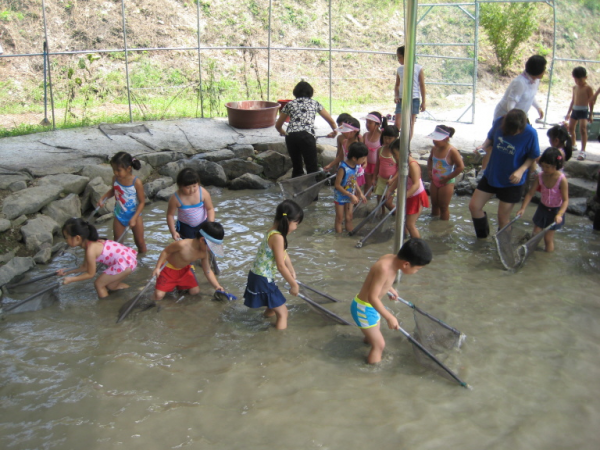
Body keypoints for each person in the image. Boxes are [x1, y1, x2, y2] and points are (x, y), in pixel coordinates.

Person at [351, 238, 432, 364]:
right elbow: (373, 297)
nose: (416, 272)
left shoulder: (389, 258)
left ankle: (368, 342)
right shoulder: (384, 269)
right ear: (406, 264)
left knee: (372, 335)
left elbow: (376, 281)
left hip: (369, 307)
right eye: (417, 269)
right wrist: (389, 317)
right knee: (380, 345)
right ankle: (372, 373)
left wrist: (389, 288)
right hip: (364, 308)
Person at [469, 109, 540, 237]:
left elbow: (533, 156)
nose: (512, 134)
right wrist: (483, 146)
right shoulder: (499, 122)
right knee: (474, 207)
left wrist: (521, 170)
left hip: (512, 181)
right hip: (492, 174)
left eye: (516, 132)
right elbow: (490, 138)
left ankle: (503, 248)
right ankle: (482, 239)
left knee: (503, 219)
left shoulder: (531, 133)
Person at [243, 200, 303, 330]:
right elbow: (281, 266)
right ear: (288, 221)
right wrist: (294, 285)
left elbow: (283, 253)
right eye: (296, 223)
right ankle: (279, 342)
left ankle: (262, 326)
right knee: (283, 313)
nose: (296, 228)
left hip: (257, 275)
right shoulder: (278, 237)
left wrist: (291, 269)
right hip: (263, 279)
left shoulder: (272, 231)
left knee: (272, 308)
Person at [58, 218, 137, 298]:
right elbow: (85, 267)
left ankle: (105, 306)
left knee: (98, 284)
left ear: (77, 238)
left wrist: (71, 279)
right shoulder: (90, 244)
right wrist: (67, 271)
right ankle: (134, 292)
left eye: (66, 237)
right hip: (127, 259)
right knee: (111, 286)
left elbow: (90, 274)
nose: (66, 241)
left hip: (124, 263)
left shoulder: (90, 250)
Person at [275, 81, 337, 177]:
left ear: (295, 92)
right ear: (310, 93)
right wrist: (334, 132)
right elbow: (331, 121)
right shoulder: (315, 103)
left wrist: (283, 132)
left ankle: (297, 190)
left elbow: (278, 125)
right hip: (307, 136)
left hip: (291, 136)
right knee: (312, 167)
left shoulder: (290, 104)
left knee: (297, 166)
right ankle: (312, 191)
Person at [152, 221, 225, 301]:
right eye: (211, 247)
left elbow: (207, 270)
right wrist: (157, 268)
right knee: (159, 296)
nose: (211, 250)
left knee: (195, 291)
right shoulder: (182, 245)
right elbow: (166, 252)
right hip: (168, 270)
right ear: (202, 240)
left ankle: (180, 290)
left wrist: (217, 286)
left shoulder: (204, 253)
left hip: (184, 271)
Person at [516, 148, 569, 252]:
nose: (544, 169)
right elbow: (530, 193)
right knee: (535, 233)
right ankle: (531, 254)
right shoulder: (540, 176)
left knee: (548, 238)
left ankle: (547, 258)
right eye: (542, 166)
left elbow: (566, 200)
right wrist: (522, 208)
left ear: (556, 165)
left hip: (555, 211)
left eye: (547, 167)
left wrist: (559, 214)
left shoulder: (561, 179)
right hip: (542, 208)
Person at [98, 151, 147, 253]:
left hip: (135, 216)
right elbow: (114, 190)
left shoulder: (136, 182)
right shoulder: (115, 179)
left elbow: (142, 202)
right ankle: (119, 264)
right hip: (119, 215)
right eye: (114, 170)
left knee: (140, 242)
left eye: (118, 170)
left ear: (128, 169)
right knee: (118, 244)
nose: (115, 173)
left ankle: (144, 264)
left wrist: (134, 218)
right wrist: (103, 198)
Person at [389, 138, 430, 238]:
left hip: (416, 195)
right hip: (408, 194)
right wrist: (390, 190)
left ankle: (417, 245)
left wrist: (404, 197)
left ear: (402, 151)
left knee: (410, 224)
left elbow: (416, 184)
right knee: (404, 221)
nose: (394, 157)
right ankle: (405, 239)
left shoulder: (412, 164)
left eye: (395, 154)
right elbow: (399, 178)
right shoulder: (402, 162)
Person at [426, 125, 464, 220]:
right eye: (433, 139)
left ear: (446, 138)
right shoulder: (434, 149)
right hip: (435, 181)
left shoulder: (452, 151)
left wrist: (448, 177)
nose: (434, 141)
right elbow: (430, 159)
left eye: (437, 139)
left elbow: (460, 167)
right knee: (434, 204)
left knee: (443, 207)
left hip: (447, 182)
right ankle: (434, 224)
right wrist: (429, 170)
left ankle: (444, 228)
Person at [493, 55, 546, 121]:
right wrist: (516, 121)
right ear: (537, 70)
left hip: (520, 117)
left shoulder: (536, 80)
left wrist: (538, 108)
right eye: (544, 68)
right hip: (506, 116)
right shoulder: (520, 82)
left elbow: (529, 96)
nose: (545, 71)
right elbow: (511, 105)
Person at [167, 168, 215, 240]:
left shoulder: (203, 192)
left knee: (203, 245)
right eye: (187, 187)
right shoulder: (176, 198)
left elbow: (210, 209)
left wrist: (210, 224)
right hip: (185, 227)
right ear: (180, 186)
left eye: (194, 186)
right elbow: (170, 215)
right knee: (187, 248)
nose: (192, 190)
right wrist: (173, 232)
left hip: (203, 223)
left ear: (198, 183)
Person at [334, 142, 368, 233]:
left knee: (349, 217)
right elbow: (337, 185)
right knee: (340, 218)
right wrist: (350, 195)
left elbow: (354, 180)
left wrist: (360, 193)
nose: (364, 160)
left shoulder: (356, 166)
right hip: (341, 196)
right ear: (354, 158)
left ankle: (350, 234)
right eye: (363, 158)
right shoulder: (343, 167)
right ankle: (339, 239)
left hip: (350, 195)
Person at [394, 45, 426, 141]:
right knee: (398, 123)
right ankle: (395, 143)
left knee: (411, 123)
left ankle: (407, 145)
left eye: (399, 57)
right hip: (401, 98)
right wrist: (396, 95)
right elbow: (397, 85)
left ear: (406, 56)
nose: (398, 59)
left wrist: (423, 102)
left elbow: (422, 85)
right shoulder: (400, 69)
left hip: (414, 98)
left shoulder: (418, 68)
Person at [325, 117, 365, 186]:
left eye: (346, 131)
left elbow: (362, 159)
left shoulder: (357, 145)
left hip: (354, 171)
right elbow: (340, 156)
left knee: (355, 191)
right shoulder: (344, 142)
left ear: (354, 131)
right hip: (345, 170)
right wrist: (330, 165)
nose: (343, 132)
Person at [565, 66, 594, 160]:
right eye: (576, 80)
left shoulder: (588, 88)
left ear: (585, 77)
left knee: (583, 129)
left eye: (580, 80)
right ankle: (573, 144)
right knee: (570, 128)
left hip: (583, 110)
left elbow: (591, 101)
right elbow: (573, 100)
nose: (578, 82)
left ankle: (583, 150)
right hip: (575, 110)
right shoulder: (575, 87)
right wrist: (568, 112)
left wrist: (591, 114)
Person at [373, 125, 400, 215]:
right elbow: (377, 165)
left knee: (387, 202)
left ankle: (398, 214)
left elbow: (400, 169)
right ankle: (382, 216)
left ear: (396, 138)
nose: (387, 141)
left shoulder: (396, 153)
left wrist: (393, 179)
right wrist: (374, 178)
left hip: (392, 181)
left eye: (390, 138)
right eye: (385, 138)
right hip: (381, 180)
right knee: (380, 201)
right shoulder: (380, 150)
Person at [362, 112, 387, 193]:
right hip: (367, 164)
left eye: (370, 123)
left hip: (379, 166)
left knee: (378, 187)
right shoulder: (365, 135)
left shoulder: (382, 136)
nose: (367, 125)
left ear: (378, 124)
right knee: (367, 185)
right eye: (366, 122)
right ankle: (366, 203)